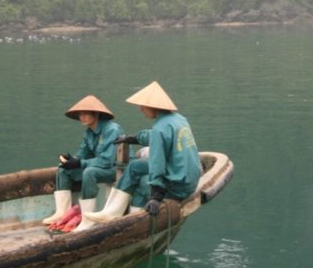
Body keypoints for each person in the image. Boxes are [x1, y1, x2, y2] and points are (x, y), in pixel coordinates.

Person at [84, 81, 200, 223]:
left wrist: (156, 196)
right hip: (189, 179)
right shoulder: (179, 120)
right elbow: (153, 135)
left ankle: (124, 215)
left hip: (178, 186)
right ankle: (112, 210)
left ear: (153, 107)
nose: (141, 109)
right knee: (134, 166)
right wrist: (132, 138)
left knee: (142, 183)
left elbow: (157, 164)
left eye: (143, 106)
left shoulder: (160, 128)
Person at [43, 95, 123, 226]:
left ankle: (87, 218)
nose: (82, 117)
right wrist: (71, 160)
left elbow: (107, 161)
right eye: (80, 114)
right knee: (63, 169)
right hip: (100, 167)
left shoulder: (112, 130)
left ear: (96, 114)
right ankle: (62, 212)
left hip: (117, 170)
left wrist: (80, 163)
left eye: (85, 113)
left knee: (89, 172)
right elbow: (82, 154)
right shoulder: (89, 132)